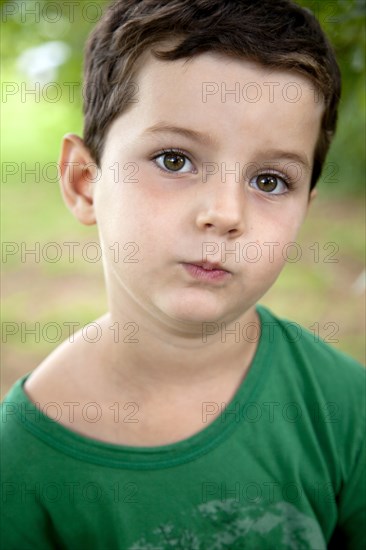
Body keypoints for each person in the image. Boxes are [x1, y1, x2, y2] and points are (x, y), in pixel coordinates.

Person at [1, 0, 365, 548]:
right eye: (174, 159)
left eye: (269, 181)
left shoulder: (343, 406)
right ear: (84, 181)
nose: (225, 213)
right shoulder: (20, 460)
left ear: (305, 208)